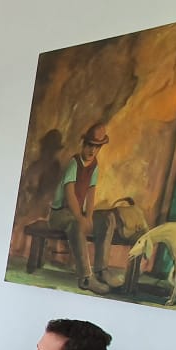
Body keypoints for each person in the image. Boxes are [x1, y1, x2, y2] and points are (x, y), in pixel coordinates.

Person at [48, 122, 118, 295]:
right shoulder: (74, 163)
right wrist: (82, 218)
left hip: (77, 212)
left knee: (108, 219)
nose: (92, 151)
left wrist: (89, 216)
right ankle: (86, 277)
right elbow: (70, 194)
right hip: (60, 214)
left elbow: (91, 194)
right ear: (84, 144)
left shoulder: (94, 166)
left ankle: (101, 269)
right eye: (89, 146)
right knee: (78, 225)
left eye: (97, 147)